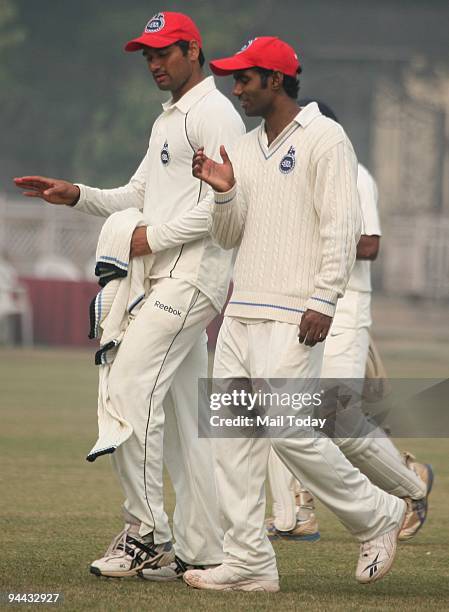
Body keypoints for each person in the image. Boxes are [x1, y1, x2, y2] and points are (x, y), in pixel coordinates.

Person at [14, 11, 245, 580]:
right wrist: (76, 195)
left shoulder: (214, 112)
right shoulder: (169, 117)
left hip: (193, 278)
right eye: (147, 54)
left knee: (127, 386)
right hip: (164, 277)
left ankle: (147, 534)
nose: (154, 63)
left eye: (164, 52)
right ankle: (203, 550)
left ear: (193, 50)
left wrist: (151, 238)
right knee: (186, 421)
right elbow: (137, 193)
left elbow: (227, 198)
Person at [187, 36, 406, 592]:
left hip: (294, 313)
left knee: (290, 432)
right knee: (233, 444)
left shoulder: (325, 139)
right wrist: (222, 193)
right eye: (234, 79)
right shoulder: (245, 145)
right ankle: (249, 564)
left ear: (275, 81)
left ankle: (378, 514)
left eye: (245, 79)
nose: (236, 89)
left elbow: (341, 228)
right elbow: (229, 236)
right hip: (241, 313)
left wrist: (324, 300)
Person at [266, 100, 433, 544]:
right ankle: (299, 510)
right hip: (305, 307)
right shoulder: (299, 174)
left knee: (334, 416)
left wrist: (317, 242)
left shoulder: (355, 174)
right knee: (284, 406)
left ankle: (411, 485)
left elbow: (371, 244)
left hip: (346, 307)